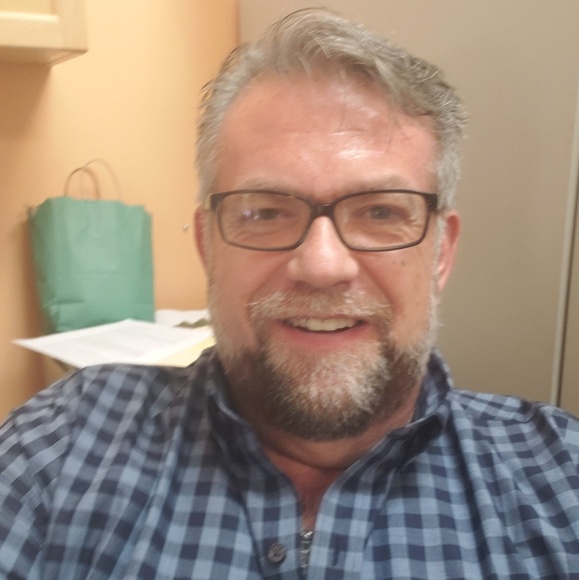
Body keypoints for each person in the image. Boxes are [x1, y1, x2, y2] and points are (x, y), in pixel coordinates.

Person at [1, 8, 579, 579]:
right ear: (207, 246)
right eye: (266, 212)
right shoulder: (62, 446)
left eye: (380, 212)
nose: (322, 266)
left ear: (441, 253)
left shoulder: (560, 476)